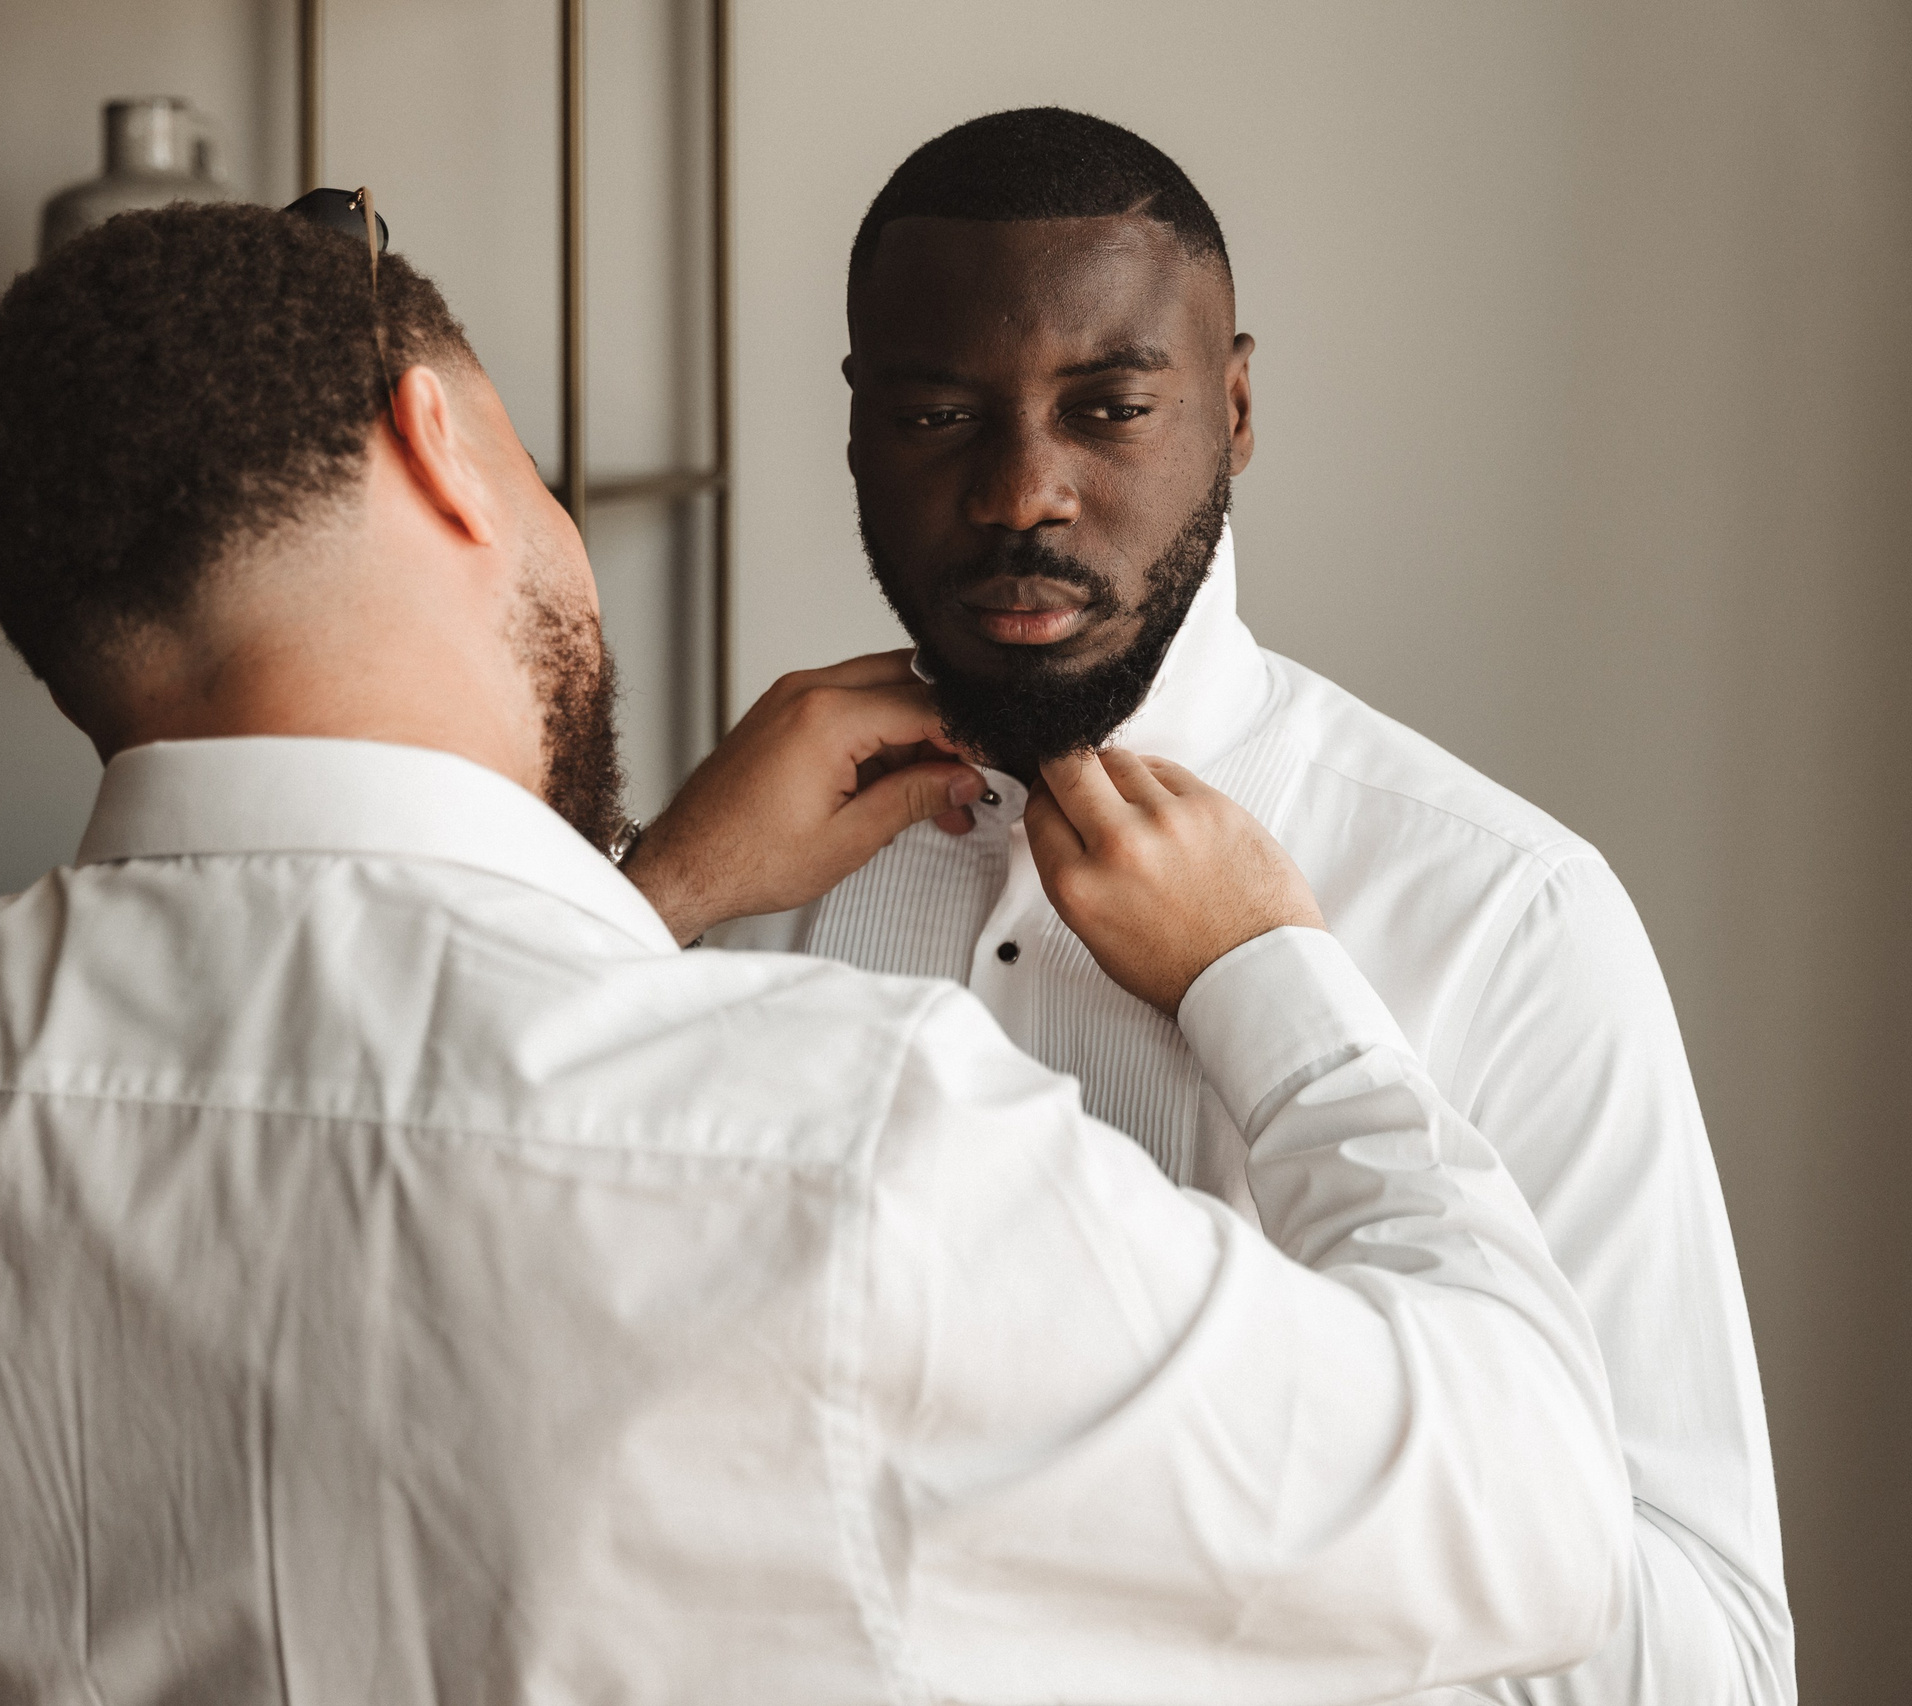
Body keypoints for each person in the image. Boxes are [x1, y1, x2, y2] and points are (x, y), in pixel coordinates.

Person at [0, 201, 1627, 1704]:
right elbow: (1537, 1516)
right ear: (438, 448)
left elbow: (334, 1223)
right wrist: (1268, 975)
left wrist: (643, 899)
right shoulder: (834, 1145)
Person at [709, 108, 1789, 1704]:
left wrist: (1274, 991)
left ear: (1233, 408)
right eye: (941, 412)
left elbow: (1707, 1668)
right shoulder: (735, 879)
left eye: (1109, 408)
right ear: (860, 429)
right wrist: (653, 896)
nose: (1024, 493)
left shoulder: (1507, 914)